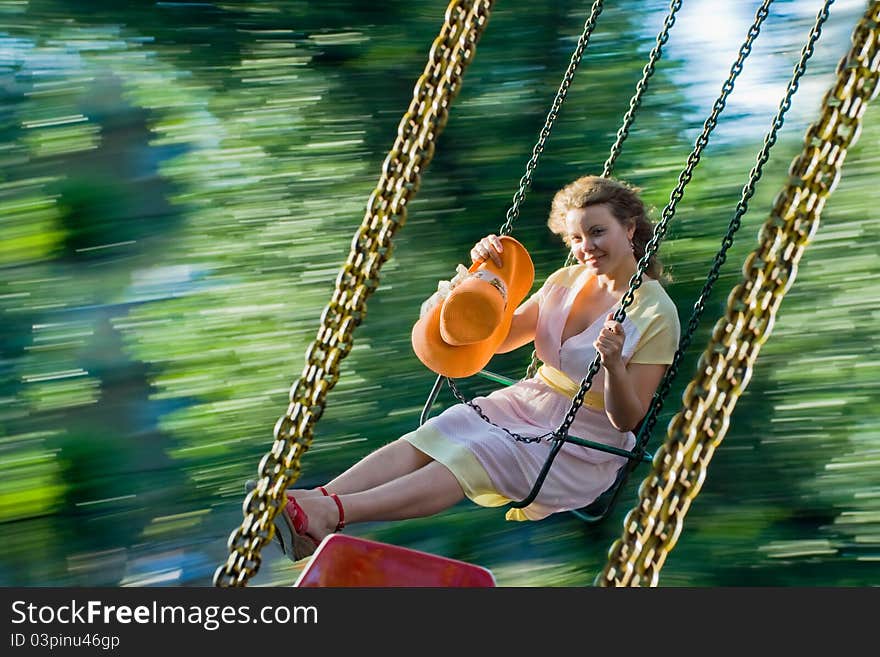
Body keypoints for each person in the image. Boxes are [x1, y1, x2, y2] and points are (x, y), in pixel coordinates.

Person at [261, 175, 681, 561]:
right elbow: (498, 340)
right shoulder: (565, 281)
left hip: (581, 442)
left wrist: (612, 362)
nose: (585, 246)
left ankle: (330, 514)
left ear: (629, 229)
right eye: (575, 237)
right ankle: (312, 501)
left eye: (597, 232)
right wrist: (482, 283)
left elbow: (628, 417)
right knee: (437, 432)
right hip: (530, 401)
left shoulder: (656, 312)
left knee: (475, 452)